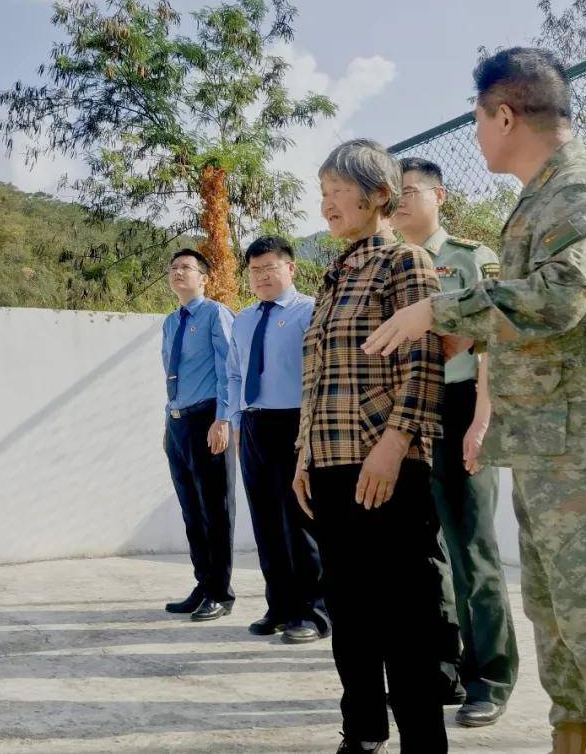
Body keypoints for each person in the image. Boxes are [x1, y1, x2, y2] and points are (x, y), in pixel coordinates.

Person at [363, 47, 586, 754]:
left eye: (477, 118)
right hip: (554, 442)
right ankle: (578, 740)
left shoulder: (581, 192)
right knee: (559, 617)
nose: (475, 134)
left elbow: (558, 298)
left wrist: (439, 309)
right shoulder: (543, 195)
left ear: (504, 115)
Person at [292, 139, 448, 753]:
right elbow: (318, 376)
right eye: (323, 192)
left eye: (338, 191)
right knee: (350, 611)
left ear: (378, 195)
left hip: (386, 465)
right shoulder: (334, 276)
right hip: (329, 466)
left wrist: (394, 444)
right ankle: (361, 731)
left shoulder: (404, 262)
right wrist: (303, 454)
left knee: (405, 616)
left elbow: (424, 361)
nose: (327, 203)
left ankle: (422, 743)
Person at [394, 156, 520, 727]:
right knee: (423, 552)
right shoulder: (392, 263)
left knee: (471, 551)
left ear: (438, 196)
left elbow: (495, 340)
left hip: (462, 404)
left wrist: (482, 419)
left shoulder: (470, 258)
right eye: (393, 193)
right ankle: (440, 669)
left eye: (409, 191)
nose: (399, 202)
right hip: (407, 414)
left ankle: (488, 677)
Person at [227, 235, 328, 644]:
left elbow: (321, 372)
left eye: (270, 268)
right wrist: (236, 420)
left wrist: (310, 428)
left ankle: (314, 612)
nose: (262, 276)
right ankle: (280, 605)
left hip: (296, 424)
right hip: (253, 425)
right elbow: (235, 374)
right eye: (254, 270)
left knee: (301, 520)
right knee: (266, 521)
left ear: (290, 268)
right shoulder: (243, 318)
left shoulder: (310, 311)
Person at [161, 248, 237, 622]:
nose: (178, 272)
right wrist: (169, 422)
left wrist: (223, 419)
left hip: (208, 418)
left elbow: (228, 369)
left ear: (204, 278)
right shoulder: (170, 322)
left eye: (186, 267)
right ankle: (203, 584)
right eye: (173, 267)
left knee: (215, 509)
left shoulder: (215, 314)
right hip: (177, 423)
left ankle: (220, 593)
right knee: (192, 511)